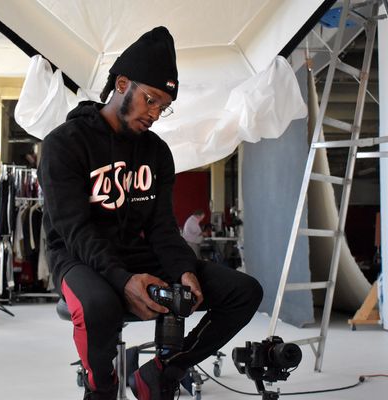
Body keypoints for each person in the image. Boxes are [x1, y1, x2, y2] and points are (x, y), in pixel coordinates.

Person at [38, 26, 263, 400]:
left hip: (137, 253)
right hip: (78, 257)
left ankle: (162, 373)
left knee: (244, 292)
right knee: (98, 304)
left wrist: (184, 270)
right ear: (122, 84)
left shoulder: (157, 153)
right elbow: (74, 230)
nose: (156, 113)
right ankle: (100, 389)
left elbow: (162, 228)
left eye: (164, 106)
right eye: (150, 100)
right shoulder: (64, 144)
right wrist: (124, 280)